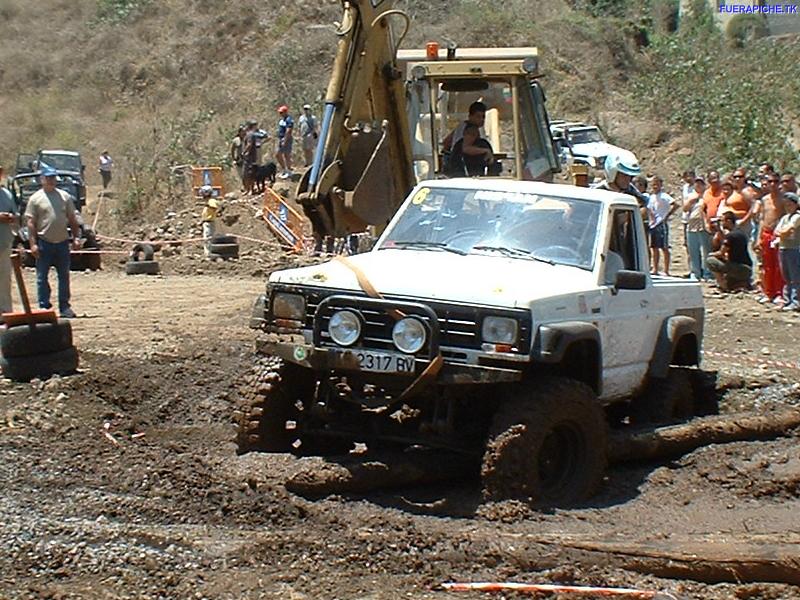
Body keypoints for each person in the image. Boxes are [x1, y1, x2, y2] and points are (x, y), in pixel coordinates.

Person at [24, 165, 82, 318]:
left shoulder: (65, 197)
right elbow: (30, 223)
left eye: (53, 178)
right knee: (42, 277)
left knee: (64, 276)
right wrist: (33, 244)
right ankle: (44, 306)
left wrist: (76, 238)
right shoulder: (35, 199)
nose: (51, 181)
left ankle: (65, 307)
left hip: (62, 242)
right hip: (44, 242)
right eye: (48, 178)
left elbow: (72, 219)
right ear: (42, 179)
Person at [753, 173, 785, 305]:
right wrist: (758, 238)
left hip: (778, 234)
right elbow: (761, 219)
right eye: (770, 181)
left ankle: (779, 293)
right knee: (766, 264)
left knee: (778, 265)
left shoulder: (784, 199)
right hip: (766, 233)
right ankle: (768, 292)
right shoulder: (764, 199)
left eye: (775, 181)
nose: (773, 184)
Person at [707, 211, 752, 292]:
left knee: (711, 261)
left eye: (722, 221)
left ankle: (722, 286)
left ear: (728, 221)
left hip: (741, 268)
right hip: (746, 267)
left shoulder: (731, 236)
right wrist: (719, 230)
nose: (721, 223)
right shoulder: (740, 233)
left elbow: (721, 253)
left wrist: (711, 254)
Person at [647, 175, 679, 275]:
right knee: (654, 247)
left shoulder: (664, 196)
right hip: (653, 224)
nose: (655, 186)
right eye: (653, 184)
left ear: (661, 185)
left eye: (657, 184)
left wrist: (667, 215)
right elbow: (649, 208)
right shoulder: (651, 197)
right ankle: (655, 269)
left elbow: (675, 204)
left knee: (664, 247)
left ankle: (666, 270)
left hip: (661, 223)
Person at [775, 192, 800, 311]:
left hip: (794, 248)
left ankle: (795, 301)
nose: (788, 207)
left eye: (790, 204)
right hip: (783, 247)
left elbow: (786, 230)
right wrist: (783, 232)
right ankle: (787, 299)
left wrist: (783, 232)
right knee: (786, 276)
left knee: (795, 276)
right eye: (786, 205)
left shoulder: (797, 216)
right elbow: (777, 231)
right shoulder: (785, 217)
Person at [684, 176, 711, 281]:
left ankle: (707, 273)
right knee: (693, 250)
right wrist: (692, 201)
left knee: (706, 250)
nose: (698, 185)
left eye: (700, 183)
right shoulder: (690, 196)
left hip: (704, 225)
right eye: (696, 183)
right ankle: (695, 272)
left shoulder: (707, 195)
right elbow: (685, 209)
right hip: (692, 225)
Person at [0, 165, 18, 316]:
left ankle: (5, 312)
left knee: (5, 278)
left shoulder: (6, 194)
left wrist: (11, 217)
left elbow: (15, 214)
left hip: (5, 242)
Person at [199, 185, 222, 258]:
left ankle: (209, 254)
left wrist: (208, 206)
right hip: (207, 222)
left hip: (209, 222)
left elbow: (215, 207)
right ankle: (207, 253)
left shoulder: (211, 201)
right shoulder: (209, 201)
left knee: (208, 238)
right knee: (206, 238)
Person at [276, 105, 294, 179]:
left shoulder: (289, 120)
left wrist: (285, 140)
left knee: (286, 155)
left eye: (281, 112)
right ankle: (284, 169)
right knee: (278, 155)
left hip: (286, 139)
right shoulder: (282, 120)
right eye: (279, 112)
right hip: (281, 138)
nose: (280, 114)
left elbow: (288, 131)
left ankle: (289, 171)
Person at [241, 119, 259, 195]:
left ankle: (251, 189)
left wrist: (244, 152)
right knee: (246, 173)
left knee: (249, 173)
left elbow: (249, 144)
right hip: (249, 157)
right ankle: (248, 189)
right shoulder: (250, 134)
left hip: (250, 157)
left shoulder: (250, 134)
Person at [230, 126, 245, 190]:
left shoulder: (247, 138)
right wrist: (234, 158)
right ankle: (244, 186)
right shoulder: (236, 140)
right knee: (241, 174)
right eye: (242, 131)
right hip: (239, 159)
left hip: (247, 158)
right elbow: (232, 149)